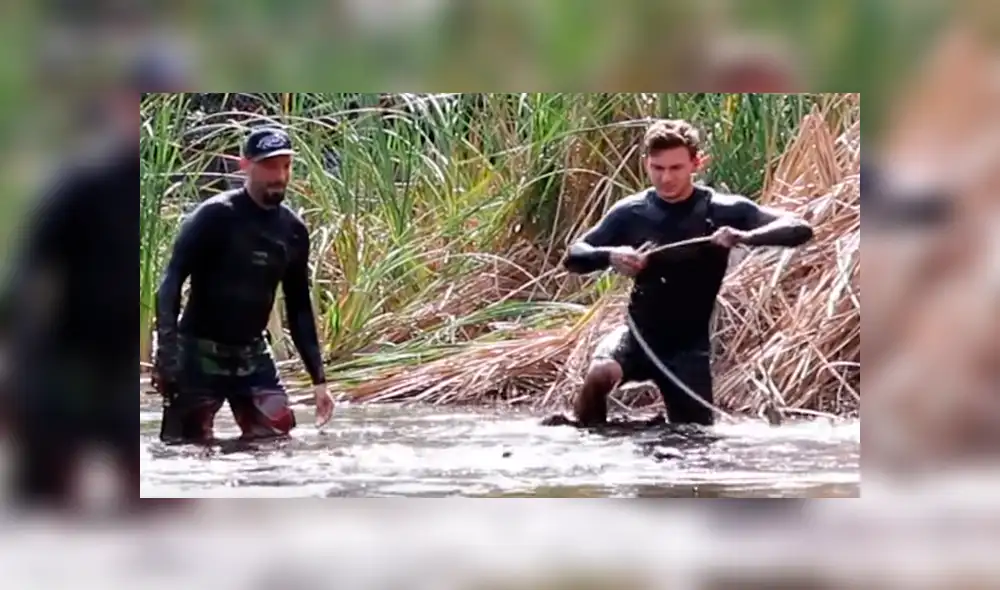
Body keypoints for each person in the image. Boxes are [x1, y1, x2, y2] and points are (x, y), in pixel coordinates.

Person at [559, 119, 814, 428]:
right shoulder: (632, 212)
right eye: (657, 168)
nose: (665, 178)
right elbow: (574, 255)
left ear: (697, 163)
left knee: (694, 436)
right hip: (637, 337)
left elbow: (799, 228)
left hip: (688, 349)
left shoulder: (723, 210)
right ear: (646, 163)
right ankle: (590, 439)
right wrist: (610, 255)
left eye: (676, 168)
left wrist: (745, 237)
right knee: (600, 374)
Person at [153, 126, 334, 444]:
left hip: (253, 355)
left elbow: (299, 308)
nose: (279, 176)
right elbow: (170, 283)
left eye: (286, 166)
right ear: (245, 166)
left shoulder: (292, 231)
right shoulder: (213, 217)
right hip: (197, 353)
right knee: (184, 449)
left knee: (275, 441)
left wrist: (319, 381)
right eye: (270, 166)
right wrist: (167, 354)